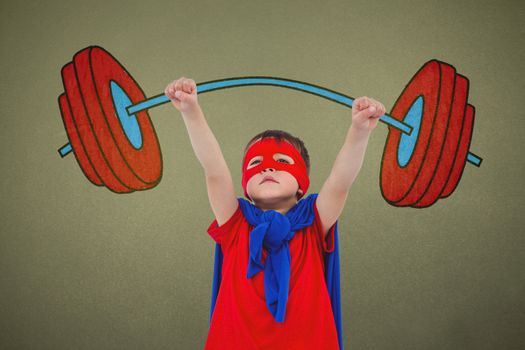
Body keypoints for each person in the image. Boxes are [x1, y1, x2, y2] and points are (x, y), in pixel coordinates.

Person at [165, 77, 385, 350]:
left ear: (302, 184)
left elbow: (340, 182)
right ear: (245, 185)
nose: (267, 169)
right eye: (256, 163)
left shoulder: (313, 220)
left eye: (281, 162)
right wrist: (191, 111)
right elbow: (214, 169)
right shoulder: (236, 223)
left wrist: (359, 130)